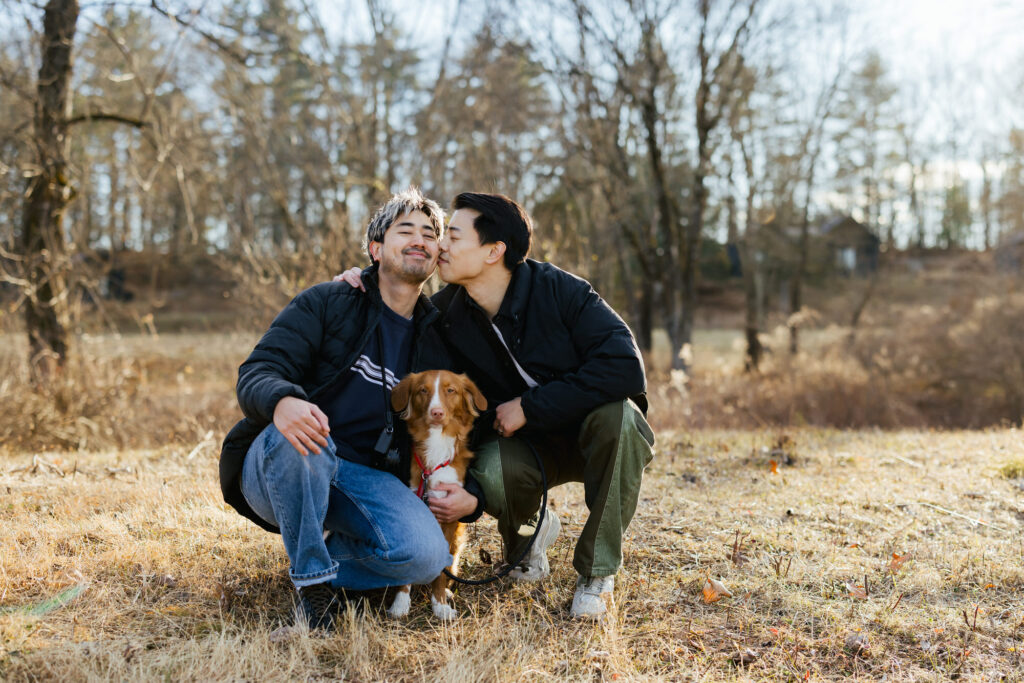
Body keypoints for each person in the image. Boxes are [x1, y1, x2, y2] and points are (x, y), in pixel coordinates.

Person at [338, 192, 654, 619]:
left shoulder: (562, 291)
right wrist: (361, 283)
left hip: (592, 438)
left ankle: (596, 573)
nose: (440, 246)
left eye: (451, 235)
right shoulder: (446, 315)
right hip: (522, 450)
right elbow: (402, 342)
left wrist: (531, 406)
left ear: (493, 251)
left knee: (621, 419)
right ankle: (529, 537)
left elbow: (625, 368)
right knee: (488, 470)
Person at [219, 188, 473, 630]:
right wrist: (283, 401)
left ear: (437, 256)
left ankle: (320, 564)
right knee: (307, 436)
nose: (420, 239)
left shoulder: (438, 337)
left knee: (425, 554)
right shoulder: (329, 301)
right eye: (405, 230)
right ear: (376, 249)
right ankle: (314, 595)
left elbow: (461, 421)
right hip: (286, 461)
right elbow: (259, 369)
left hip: (363, 479)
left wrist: (475, 497)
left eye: (430, 234)